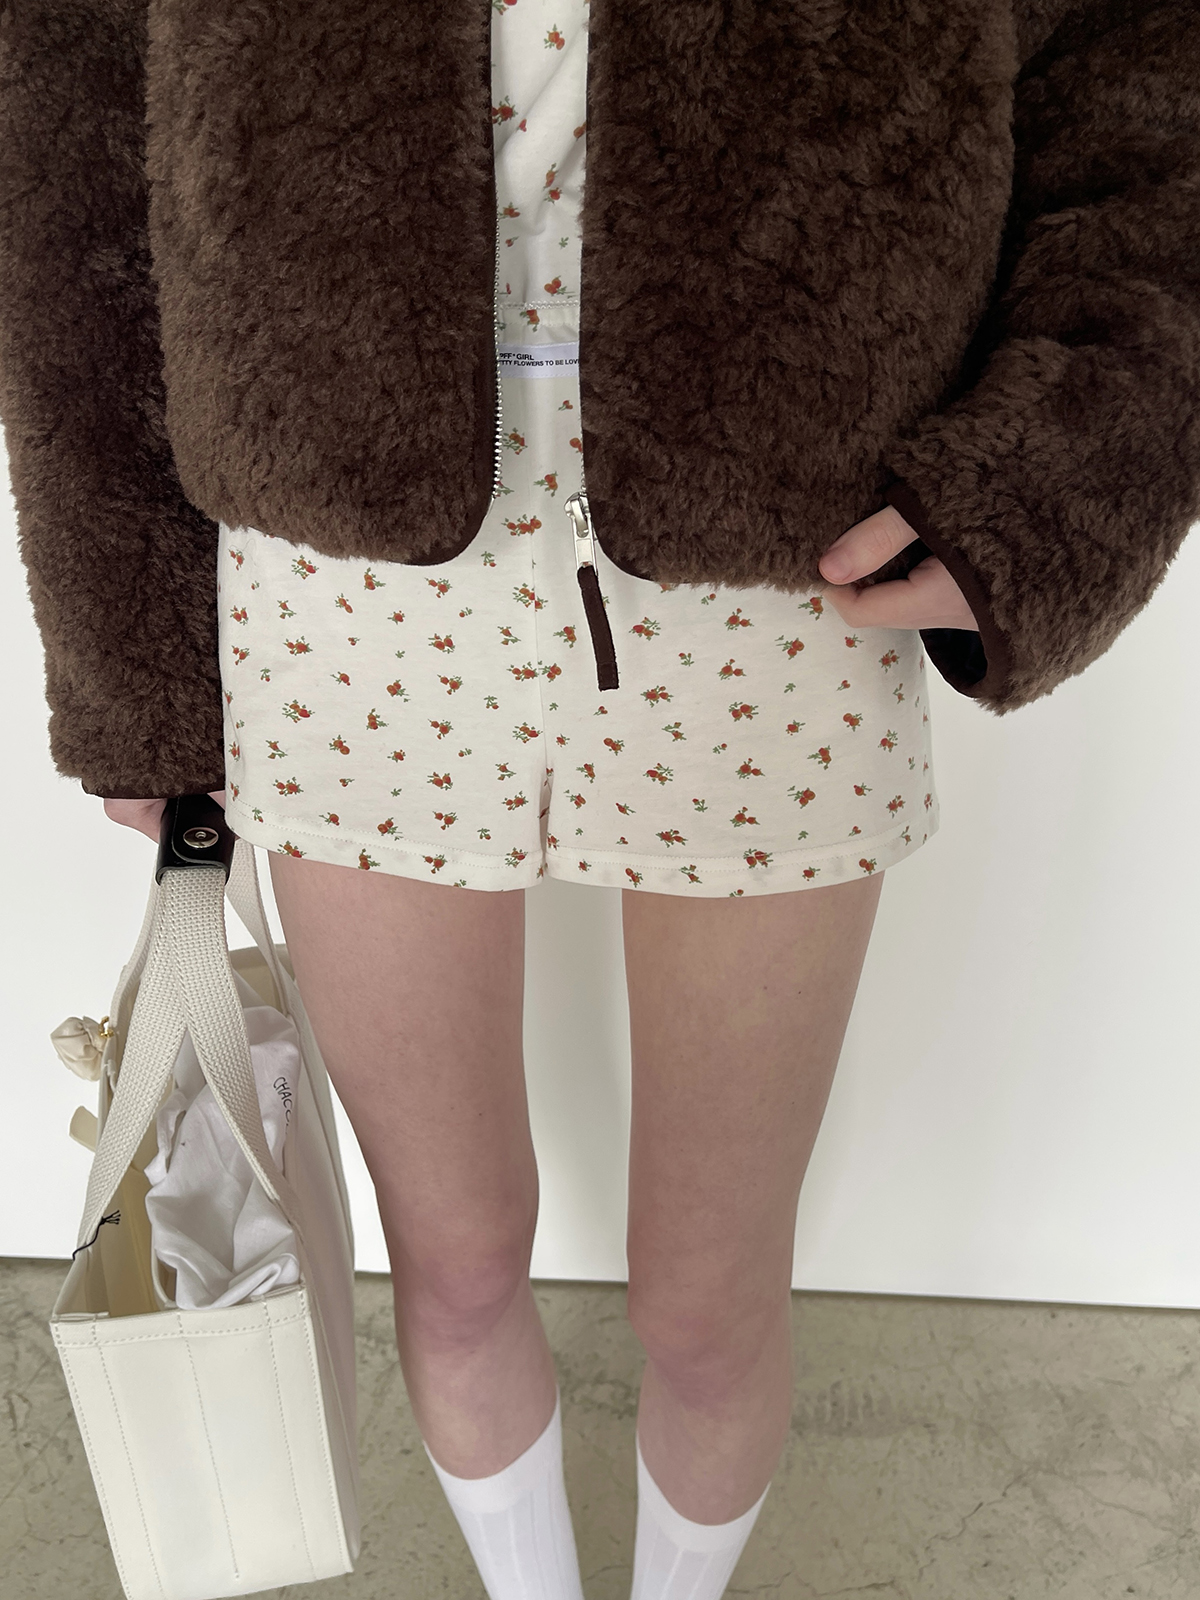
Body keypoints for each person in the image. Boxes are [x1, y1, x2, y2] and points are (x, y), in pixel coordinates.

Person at [3, 3, 1197, 1597]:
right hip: (343, 574)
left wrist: (1056, 474)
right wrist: (135, 653)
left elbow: (1138, 72)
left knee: (711, 1300)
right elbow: (74, 119)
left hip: (786, 574)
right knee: (456, 1261)